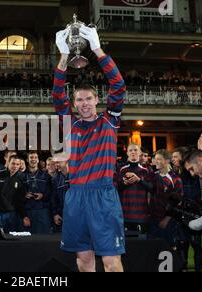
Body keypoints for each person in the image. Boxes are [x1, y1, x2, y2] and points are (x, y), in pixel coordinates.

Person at [54, 25, 126, 272]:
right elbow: (56, 95)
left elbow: (118, 86)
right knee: (83, 260)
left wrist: (96, 49)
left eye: (88, 99)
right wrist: (64, 56)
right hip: (75, 196)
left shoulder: (110, 120)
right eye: (79, 100)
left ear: (97, 100)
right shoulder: (69, 123)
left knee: (110, 261)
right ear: (74, 103)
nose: (84, 104)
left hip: (103, 196)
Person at [171, 147, 202, 272]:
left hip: (194, 213)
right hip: (181, 215)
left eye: (176, 156)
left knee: (196, 244)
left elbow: (194, 193)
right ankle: (183, 268)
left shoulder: (193, 175)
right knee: (182, 243)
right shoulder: (176, 174)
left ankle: (198, 269)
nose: (173, 159)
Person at [0, 155, 30, 232]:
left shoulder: (20, 179)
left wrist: (24, 216)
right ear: (8, 163)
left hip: (12, 215)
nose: (15, 166)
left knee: (11, 241)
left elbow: (20, 201)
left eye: (17, 164)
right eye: (13, 163)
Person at [148, 149, 183, 251]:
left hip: (168, 221)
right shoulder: (153, 176)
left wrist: (167, 219)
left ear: (167, 161)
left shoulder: (175, 179)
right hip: (153, 219)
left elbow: (177, 202)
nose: (156, 161)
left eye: (159, 159)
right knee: (153, 249)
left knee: (168, 249)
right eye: (155, 159)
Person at [117, 143, 153, 234]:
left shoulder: (147, 170)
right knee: (127, 245)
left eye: (135, 150)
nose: (133, 152)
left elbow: (152, 188)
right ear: (127, 153)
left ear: (140, 153)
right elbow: (116, 189)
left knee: (142, 245)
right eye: (130, 150)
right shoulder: (121, 169)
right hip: (125, 213)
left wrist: (138, 180)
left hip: (141, 213)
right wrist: (125, 183)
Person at [23, 151, 53, 234]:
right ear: (27, 160)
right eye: (31, 157)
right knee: (28, 241)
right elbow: (17, 194)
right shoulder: (22, 176)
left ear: (38, 160)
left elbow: (51, 193)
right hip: (28, 211)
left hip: (43, 211)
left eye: (35, 157)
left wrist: (43, 195)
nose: (33, 159)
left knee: (44, 240)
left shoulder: (46, 175)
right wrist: (24, 195)